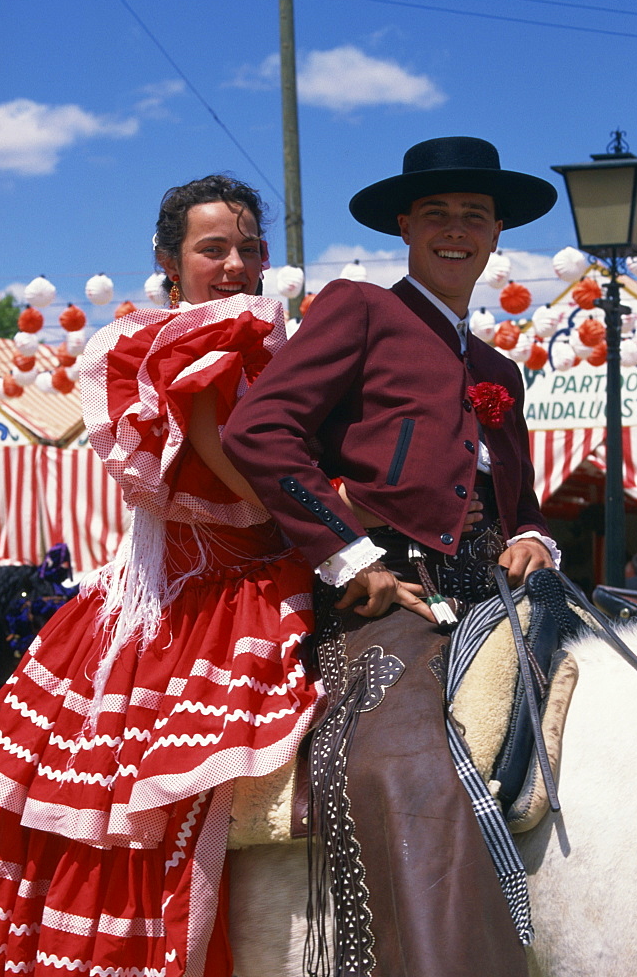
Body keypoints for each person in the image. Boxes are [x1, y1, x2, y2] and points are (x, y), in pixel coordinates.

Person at [222, 137, 561, 976]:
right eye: (437, 215)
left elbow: (519, 501)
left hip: (503, 592)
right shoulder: (359, 309)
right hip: (395, 594)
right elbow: (259, 433)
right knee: (414, 765)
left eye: (473, 217)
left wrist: (531, 535)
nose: (456, 230)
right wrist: (351, 558)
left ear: (495, 234)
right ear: (405, 227)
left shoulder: (499, 370)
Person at [0, 175, 323, 976]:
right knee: (145, 804)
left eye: (249, 248)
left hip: (245, 573)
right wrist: (348, 519)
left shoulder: (272, 340)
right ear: (170, 260)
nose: (235, 263)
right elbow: (243, 473)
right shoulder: (186, 343)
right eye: (213, 249)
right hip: (204, 598)